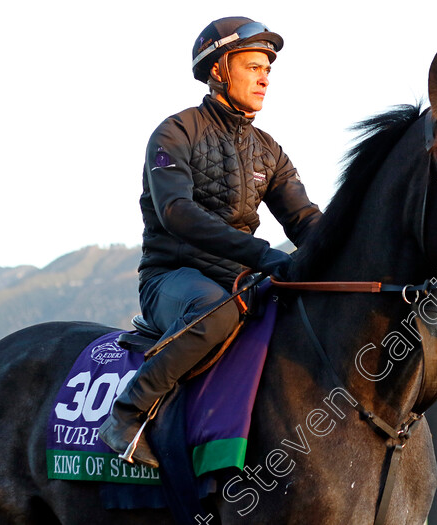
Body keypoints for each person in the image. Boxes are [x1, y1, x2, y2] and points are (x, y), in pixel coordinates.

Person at [99, 16, 322, 468]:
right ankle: (127, 413)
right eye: (253, 66)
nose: (264, 78)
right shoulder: (174, 132)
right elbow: (176, 213)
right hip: (173, 280)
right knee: (213, 310)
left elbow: (305, 220)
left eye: (268, 70)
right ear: (219, 68)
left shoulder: (270, 150)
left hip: (238, 279)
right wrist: (263, 255)